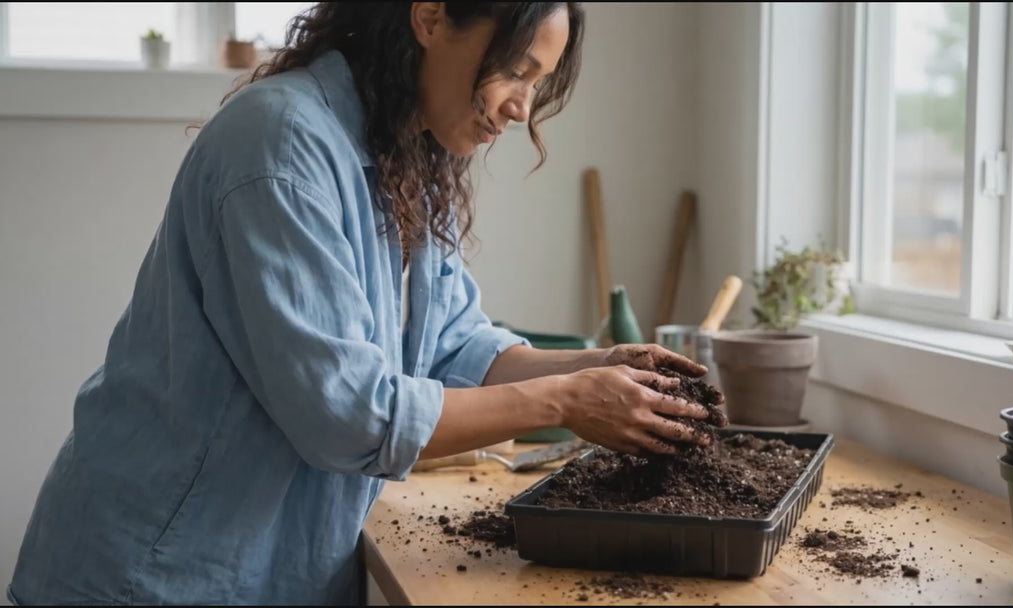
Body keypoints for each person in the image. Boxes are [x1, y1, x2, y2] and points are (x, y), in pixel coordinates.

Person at [8, 3, 710, 605]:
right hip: (154, 574)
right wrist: (566, 401)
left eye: (539, 83)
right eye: (518, 71)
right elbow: (348, 412)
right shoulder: (280, 142)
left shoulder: (409, 154)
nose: (522, 107)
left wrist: (609, 367)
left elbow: (455, 347)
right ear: (431, 16)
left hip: (264, 569)